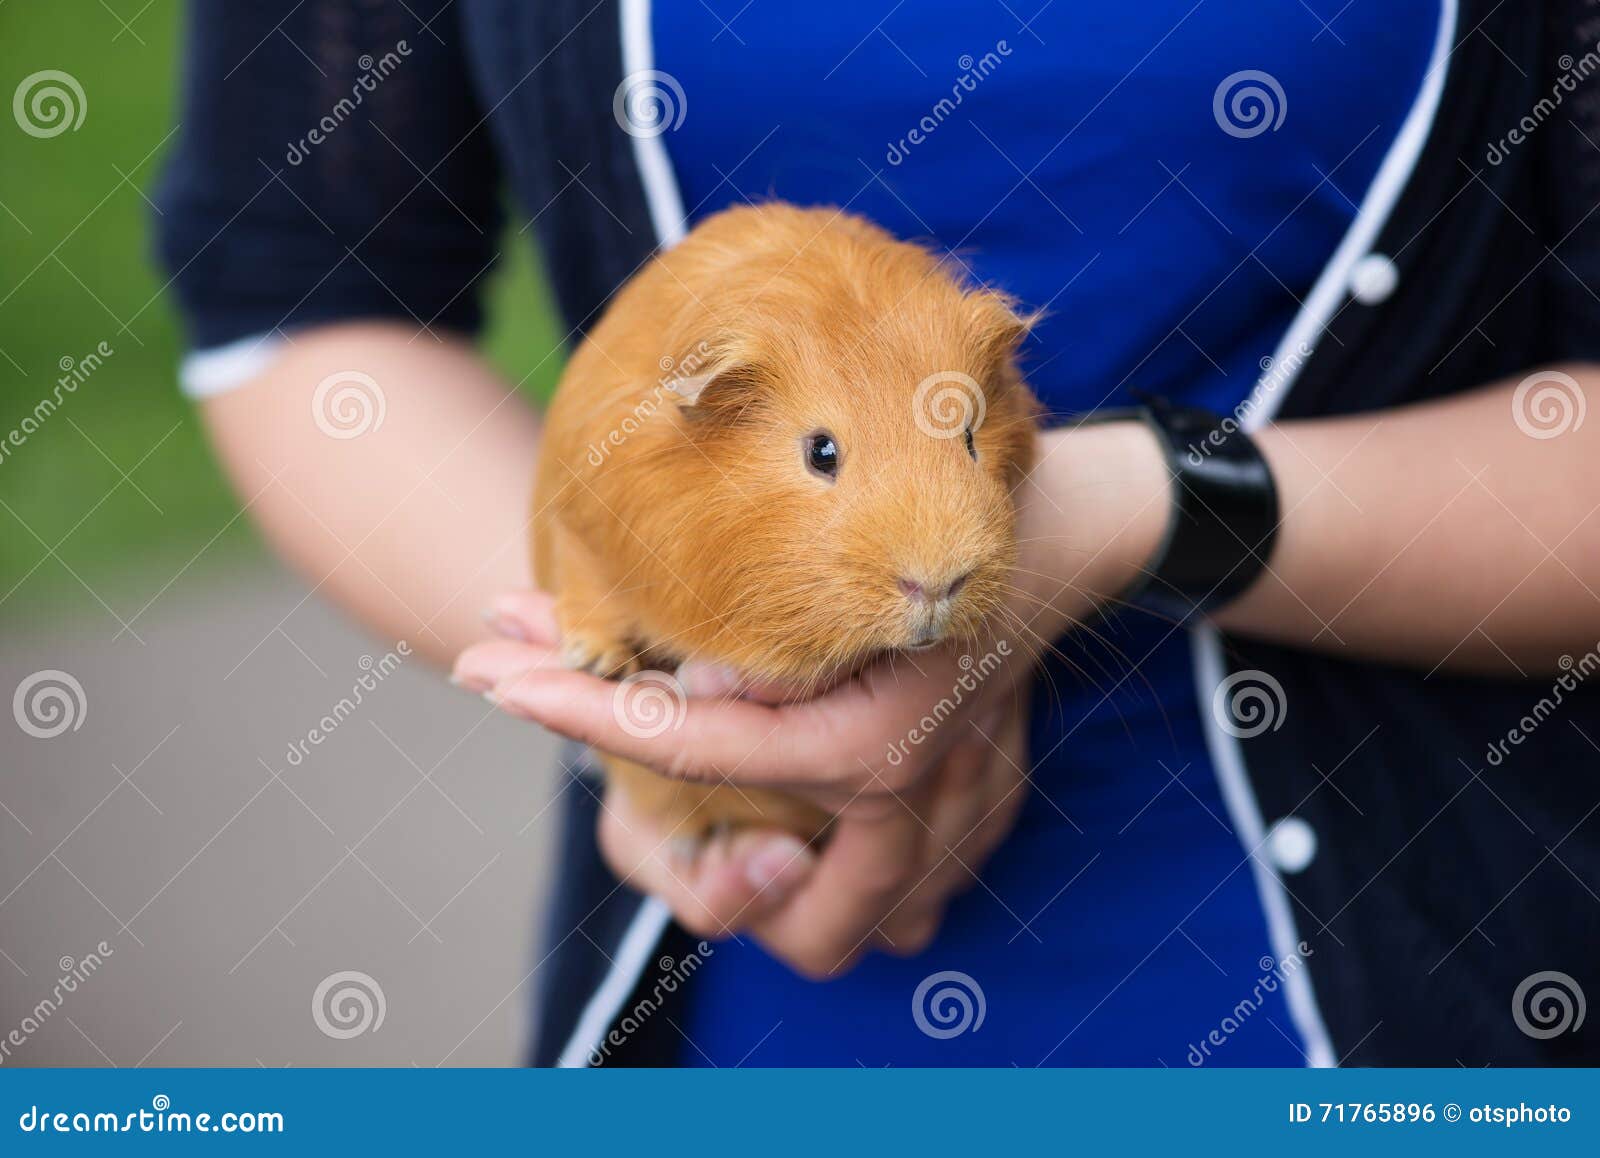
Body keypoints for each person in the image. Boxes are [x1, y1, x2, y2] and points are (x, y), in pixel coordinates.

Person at [157, 0, 1600, 1066]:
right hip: (764, 971)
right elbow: (302, 293)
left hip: (1452, 991)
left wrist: (1131, 515)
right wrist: (675, 689)